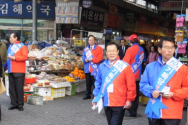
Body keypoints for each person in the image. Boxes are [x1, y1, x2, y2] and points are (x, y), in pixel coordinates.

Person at [140, 36, 188, 125]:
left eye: (172, 47)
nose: (170, 50)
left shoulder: (183, 68)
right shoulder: (150, 67)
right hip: (154, 111)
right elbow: (143, 84)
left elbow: (186, 88)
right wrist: (151, 92)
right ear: (159, 50)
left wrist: (174, 94)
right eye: (166, 47)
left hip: (172, 113)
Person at [92, 42, 136, 125]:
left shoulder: (125, 66)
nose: (111, 53)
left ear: (118, 51)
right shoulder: (102, 66)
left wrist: (129, 99)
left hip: (119, 102)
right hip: (106, 101)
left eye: (114, 51)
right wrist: (96, 96)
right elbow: (98, 82)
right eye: (109, 51)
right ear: (106, 52)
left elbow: (131, 85)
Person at [3, 33, 28, 111]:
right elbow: (8, 59)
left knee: (19, 88)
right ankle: (14, 103)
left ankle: (20, 104)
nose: (10, 38)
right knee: (12, 88)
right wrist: (3, 66)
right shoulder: (10, 47)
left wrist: (14, 57)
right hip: (11, 70)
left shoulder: (23, 46)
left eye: (11, 37)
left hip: (19, 70)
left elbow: (25, 57)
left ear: (16, 38)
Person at [123, 34, 144, 117]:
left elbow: (125, 62)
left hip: (130, 75)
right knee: (135, 94)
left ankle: (131, 111)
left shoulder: (130, 49)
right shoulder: (141, 49)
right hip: (138, 75)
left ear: (130, 41)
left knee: (129, 93)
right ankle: (134, 110)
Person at [82, 35, 103, 100]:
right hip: (87, 68)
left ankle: (96, 95)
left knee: (95, 82)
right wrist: (85, 59)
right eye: (90, 40)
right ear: (88, 41)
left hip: (95, 68)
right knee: (88, 83)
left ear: (95, 41)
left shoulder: (99, 48)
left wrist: (92, 60)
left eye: (92, 40)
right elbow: (83, 57)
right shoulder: (86, 49)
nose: (91, 41)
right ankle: (87, 94)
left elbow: (100, 58)